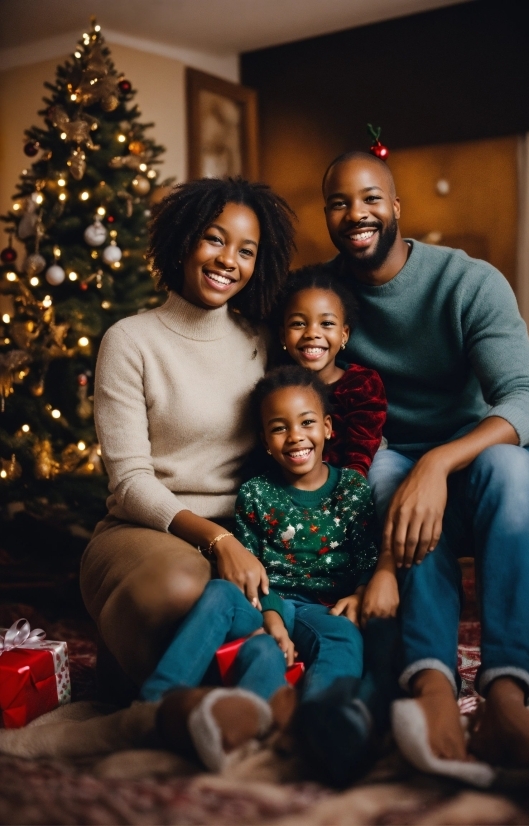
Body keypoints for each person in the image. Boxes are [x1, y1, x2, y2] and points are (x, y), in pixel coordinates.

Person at [320, 151, 529, 772]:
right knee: (383, 479)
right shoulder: (323, 296)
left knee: (510, 467)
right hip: (387, 465)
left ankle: (506, 700)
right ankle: (434, 690)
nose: (357, 213)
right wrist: (413, 472)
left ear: (397, 210)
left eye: (371, 198)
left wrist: (437, 463)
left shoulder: (467, 281)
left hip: (476, 465)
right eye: (339, 202)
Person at [80, 177, 295, 700]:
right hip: (148, 527)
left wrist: (245, 540)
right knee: (189, 589)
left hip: (246, 527)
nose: (228, 260)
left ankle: (193, 699)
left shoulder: (261, 341)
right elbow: (130, 482)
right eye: (215, 239)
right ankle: (156, 697)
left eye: (247, 251)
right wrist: (217, 540)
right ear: (183, 240)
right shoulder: (130, 340)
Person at [154, 365, 399, 783]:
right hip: (266, 600)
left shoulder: (352, 490)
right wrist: (270, 618)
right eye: (279, 428)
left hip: (320, 608)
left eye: (306, 423)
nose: (295, 437)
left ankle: (317, 721)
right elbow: (252, 564)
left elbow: (366, 554)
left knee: (345, 635)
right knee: (217, 594)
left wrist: (359, 593)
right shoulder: (255, 493)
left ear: (327, 428)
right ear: (266, 441)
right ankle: (155, 703)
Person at [277, 266, 387, 477]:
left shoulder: (362, 384)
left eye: (326, 323)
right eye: (299, 323)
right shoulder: (277, 388)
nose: (312, 334)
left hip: (351, 484)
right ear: (283, 336)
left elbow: (360, 457)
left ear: (344, 335)